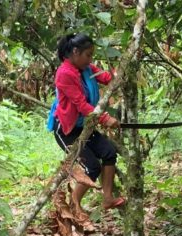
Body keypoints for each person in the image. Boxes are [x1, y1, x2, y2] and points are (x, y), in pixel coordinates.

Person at [49, 32, 125, 222]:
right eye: (88, 55)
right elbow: (81, 105)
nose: (90, 59)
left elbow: (105, 77)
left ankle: (107, 198)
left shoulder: (86, 67)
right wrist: (106, 118)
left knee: (109, 153)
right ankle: (74, 205)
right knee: (91, 167)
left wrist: (117, 76)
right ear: (75, 52)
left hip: (86, 126)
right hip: (67, 130)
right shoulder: (65, 74)